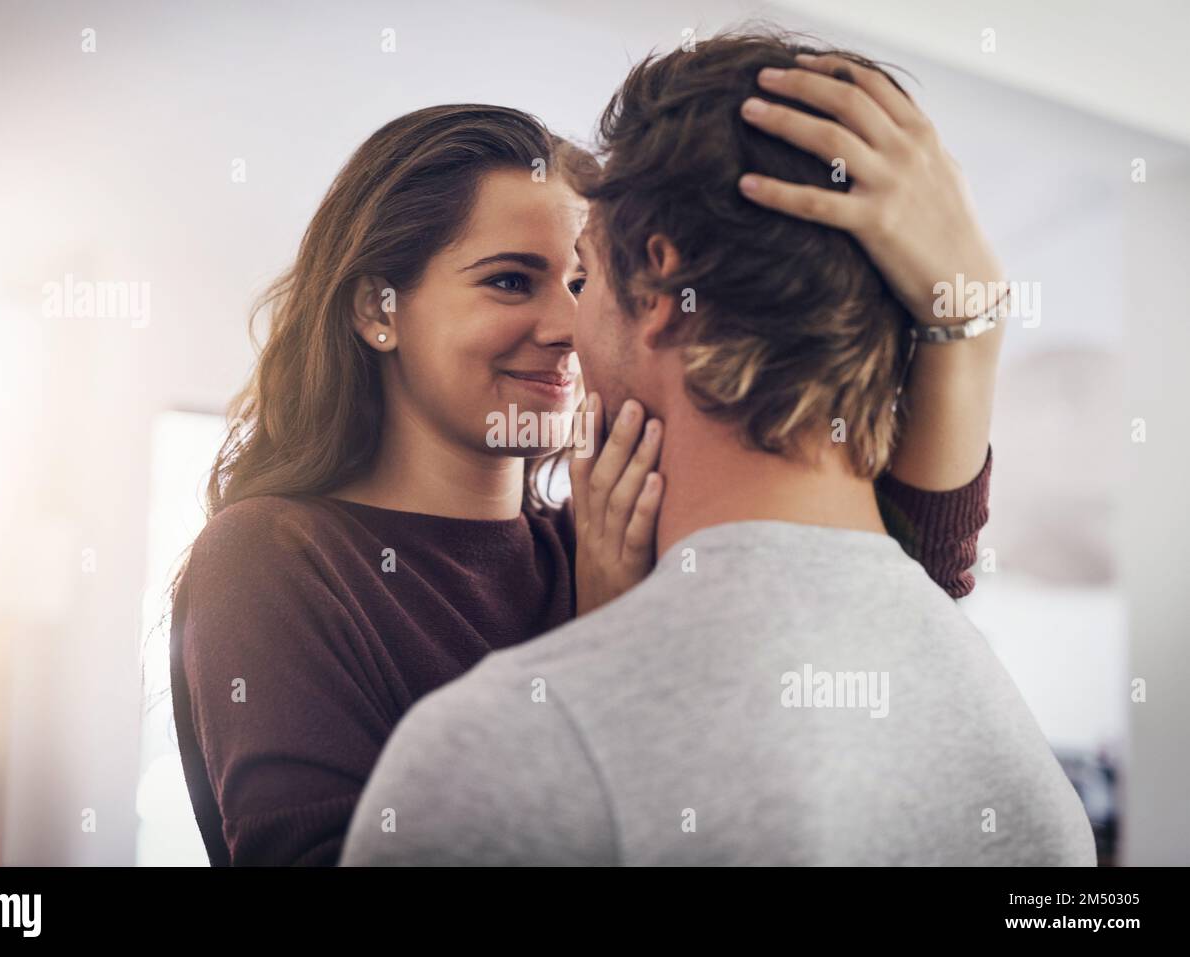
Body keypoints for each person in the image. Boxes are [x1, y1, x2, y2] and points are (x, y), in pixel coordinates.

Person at [338, 34, 1095, 866]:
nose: (563, 330)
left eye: (583, 278)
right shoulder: (1024, 774)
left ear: (660, 288)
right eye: (514, 280)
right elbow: (890, 572)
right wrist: (967, 321)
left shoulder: (499, 758)